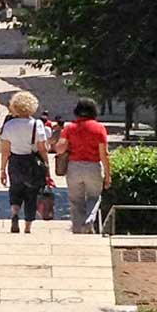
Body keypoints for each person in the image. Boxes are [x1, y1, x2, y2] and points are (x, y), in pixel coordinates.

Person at [0, 89, 50, 234]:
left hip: (15, 161)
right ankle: (27, 227)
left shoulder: (9, 125)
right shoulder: (37, 124)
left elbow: (5, 151)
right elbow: (42, 148)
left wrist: (2, 170)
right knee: (31, 194)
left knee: (15, 189)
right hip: (31, 161)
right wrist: (47, 165)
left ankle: (15, 212)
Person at [59, 99, 112, 233]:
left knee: (76, 200)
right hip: (93, 167)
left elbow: (60, 148)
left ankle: (77, 229)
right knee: (94, 197)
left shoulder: (69, 128)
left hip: (74, 167)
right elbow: (104, 154)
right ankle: (89, 220)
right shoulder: (99, 128)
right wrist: (108, 175)